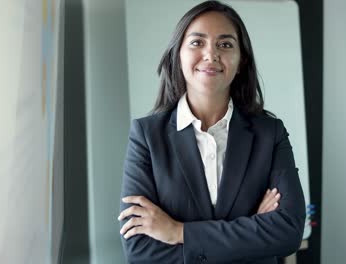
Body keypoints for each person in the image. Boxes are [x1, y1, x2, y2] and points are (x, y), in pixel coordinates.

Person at [118, 1, 305, 263]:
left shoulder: (269, 134)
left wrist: (178, 231)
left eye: (225, 44)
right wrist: (251, 231)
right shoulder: (147, 136)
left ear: (241, 62)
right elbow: (140, 251)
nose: (211, 54)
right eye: (197, 42)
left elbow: (288, 232)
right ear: (178, 54)